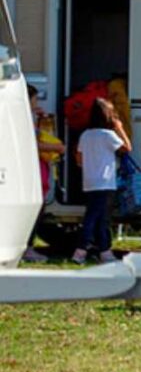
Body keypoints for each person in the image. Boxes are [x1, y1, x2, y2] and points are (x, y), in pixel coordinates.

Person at [73, 98, 132, 264]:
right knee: (94, 217)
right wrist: (120, 128)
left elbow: (79, 159)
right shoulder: (108, 135)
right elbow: (127, 148)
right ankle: (80, 251)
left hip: (90, 182)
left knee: (100, 217)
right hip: (105, 182)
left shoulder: (86, 135)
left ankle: (105, 252)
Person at [22, 85, 65, 263]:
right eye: (34, 99)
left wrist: (41, 120)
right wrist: (57, 148)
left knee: (37, 210)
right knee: (33, 210)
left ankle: (28, 247)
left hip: (38, 168)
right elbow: (32, 144)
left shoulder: (28, 117)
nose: (36, 102)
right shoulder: (22, 119)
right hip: (33, 170)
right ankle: (27, 248)